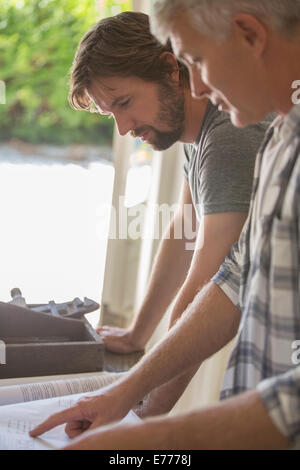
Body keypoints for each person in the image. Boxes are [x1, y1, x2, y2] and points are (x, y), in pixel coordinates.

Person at [29, 1, 300, 449]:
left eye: (196, 60)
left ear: (249, 35)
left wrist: (144, 422)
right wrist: (132, 376)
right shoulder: (269, 135)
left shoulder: (234, 132)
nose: (200, 85)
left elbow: (205, 281)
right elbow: (216, 266)